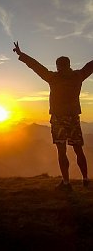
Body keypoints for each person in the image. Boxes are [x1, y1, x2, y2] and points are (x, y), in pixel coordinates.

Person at [13, 41, 93, 191]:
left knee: (61, 150)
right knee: (78, 149)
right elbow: (90, 65)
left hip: (58, 118)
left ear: (58, 66)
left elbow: (36, 66)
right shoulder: (78, 76)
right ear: (69, 64)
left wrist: (21, 54)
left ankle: (67, 183)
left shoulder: (53, 78)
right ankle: (85, 179)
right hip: (74, 118)